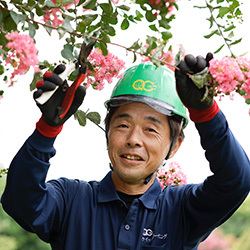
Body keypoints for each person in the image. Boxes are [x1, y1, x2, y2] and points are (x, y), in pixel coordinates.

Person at [1, 52, 250, 250]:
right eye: (122, 125)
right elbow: (21, 201)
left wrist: (207, 114)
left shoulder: (182, 210)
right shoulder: (71, 201)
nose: (133, 139)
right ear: (107, 133)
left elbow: (235, 181)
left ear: (174, 146)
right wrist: (47, 129)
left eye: (151, 130)